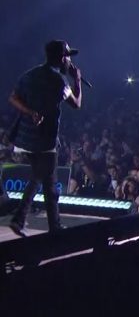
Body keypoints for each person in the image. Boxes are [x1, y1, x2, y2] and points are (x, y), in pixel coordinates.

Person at [8, 40, 83, 236]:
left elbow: (13, 98)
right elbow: (77, 104)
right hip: (45, 139)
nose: (70, 61)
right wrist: (77, 80)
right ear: (62, 58)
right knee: (40, 176)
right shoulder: (59, 81)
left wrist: (30, 112)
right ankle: (19, 218)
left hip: (25, 137)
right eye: (68, 57)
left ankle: (54, 225)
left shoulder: (30, 74)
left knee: (49, 181)